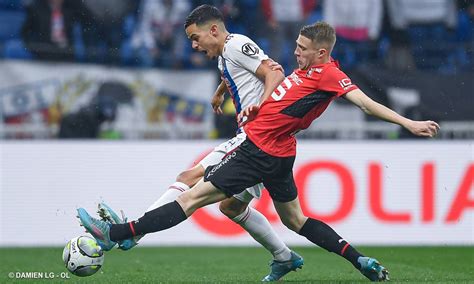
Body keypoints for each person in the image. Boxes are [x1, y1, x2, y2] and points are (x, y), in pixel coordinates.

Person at [78, 21, 440, 281]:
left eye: (301, 48)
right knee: (294, 220)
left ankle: (120, 233)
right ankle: (360, 261)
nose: (294, 52)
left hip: (258, 149)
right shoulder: (305, 69)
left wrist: (407, 124)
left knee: (190, 196)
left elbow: (364, 103)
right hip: (279, 152)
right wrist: (236, 95)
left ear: (322, 52)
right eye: (297, 45)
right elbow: (275, 81)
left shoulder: (329, 74)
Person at [93, 4, 303, 282]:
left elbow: (274, 73)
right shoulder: (226, 53)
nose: (193, 45)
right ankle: (284, 257)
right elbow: (241, 73)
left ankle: (134, 230)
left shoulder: (237, 44)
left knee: (189, 177)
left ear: (213, 30)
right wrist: (220, 91)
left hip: (255, 137)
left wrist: (259, 110)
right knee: (231, 207)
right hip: (257, 138)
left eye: (195, 37)